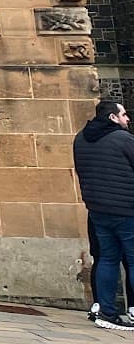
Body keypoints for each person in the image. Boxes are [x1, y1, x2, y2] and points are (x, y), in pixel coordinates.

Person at [74, 99, 134, 330]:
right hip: (127, 209)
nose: (127, 119)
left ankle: (107, 312)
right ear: (112, 117)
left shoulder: (80, 139)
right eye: (124, 114)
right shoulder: (123, 139)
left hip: (98, 210)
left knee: (107, 259)